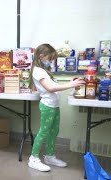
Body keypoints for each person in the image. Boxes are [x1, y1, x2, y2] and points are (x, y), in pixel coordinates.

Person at [28, 44, 85, 172]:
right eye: (50, 58)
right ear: (42, 56)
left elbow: (51, 86)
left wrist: (72, 82)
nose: (51, 61)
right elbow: (50, 88)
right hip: (47, 106)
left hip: (54, 105)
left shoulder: (44, 71)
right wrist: (71, 84)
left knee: (54, 132)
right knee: (43, 132)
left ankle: (50, 156)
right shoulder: (38, 71)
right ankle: (33, 159)